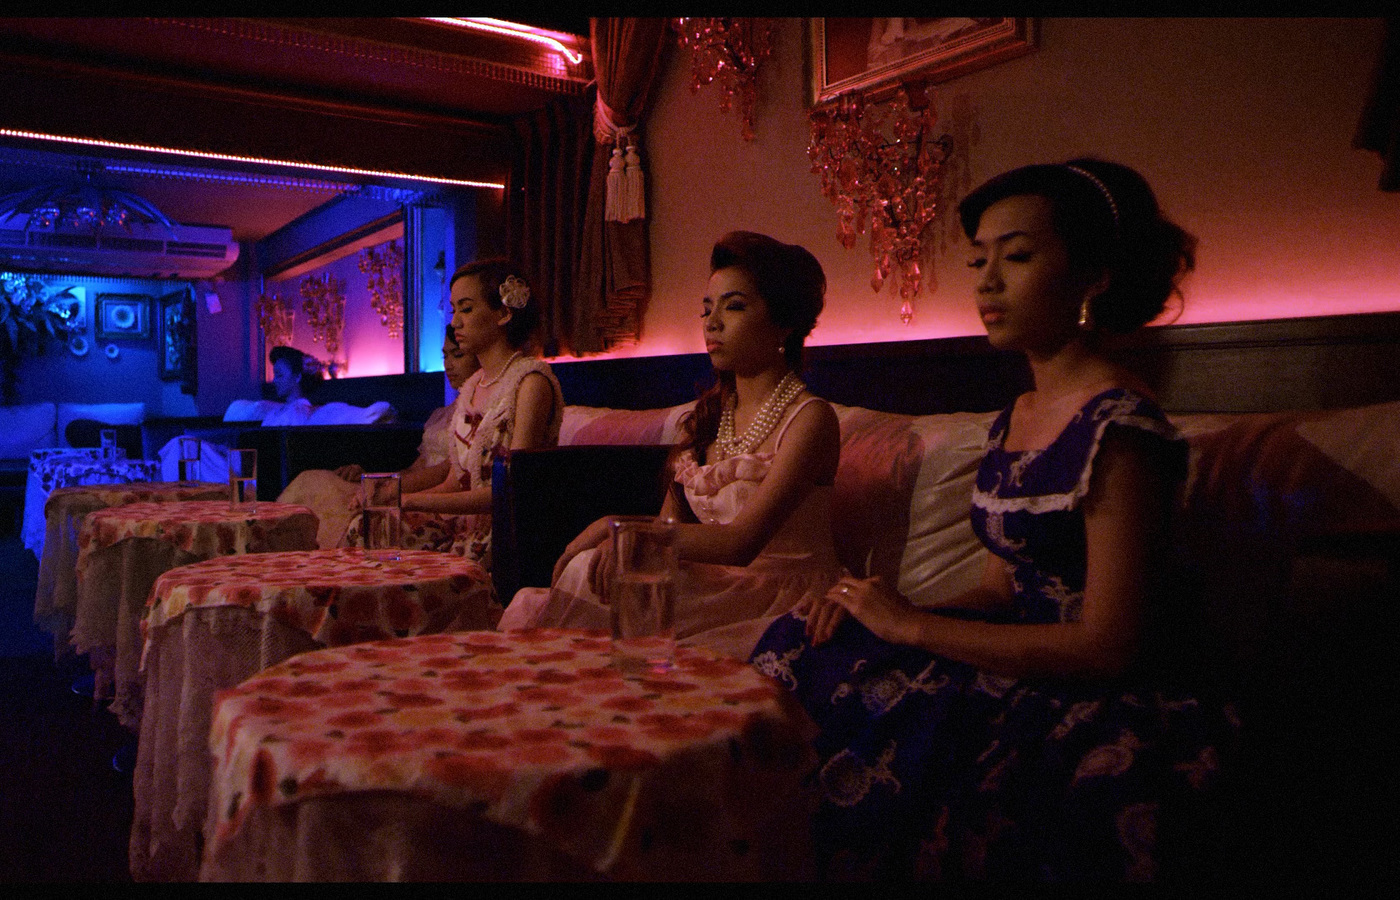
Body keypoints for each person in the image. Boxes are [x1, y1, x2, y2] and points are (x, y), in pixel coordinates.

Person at [749, 159, 1239, 881]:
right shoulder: (1019, 415)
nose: (986, 281)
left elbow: (1111, 644)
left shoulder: (1121, 427)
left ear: (1094, 276)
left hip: (1093, 687)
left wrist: (914, 629)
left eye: (1017, 256)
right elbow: (997, 593)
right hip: (1013, 645)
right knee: (801, 640)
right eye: (980, 259)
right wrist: (887, 610)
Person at [499, 231, 841, 662]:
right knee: (608, 576)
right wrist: (629, 547)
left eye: (733, 306)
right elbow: (668, 527)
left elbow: (740, 543)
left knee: (597, 579)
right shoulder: (711, 416)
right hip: (721, 582)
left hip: (779, 592)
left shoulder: (810, 418)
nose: (711, 322)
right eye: (706, 309)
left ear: (784, 323)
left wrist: (614, 528)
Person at [344, 258, 563, 568]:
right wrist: (391, 500)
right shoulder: (472, 387)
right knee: (369, 525)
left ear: (503, 313)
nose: (456, 322)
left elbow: (514, 489)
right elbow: (454, 482)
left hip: (507, 535)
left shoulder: (530, 382)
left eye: (467, 309)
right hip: (464, 528)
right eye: (454, 310)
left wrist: (410, 500)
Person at [277, 326, 480, 548]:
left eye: (457, 355)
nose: (448, 364)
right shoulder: (442, 414)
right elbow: (417, 467)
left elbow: (446, 474)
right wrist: (373, 477)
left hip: (436, 498)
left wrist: (389, 489)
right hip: (411, 486)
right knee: (311, 480)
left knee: (347, 510)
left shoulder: (475, 413)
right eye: (445, 356)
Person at [260, 345, 322, 426]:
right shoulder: (275, 413)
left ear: (297, 377)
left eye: (279, 375)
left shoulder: (302, 413)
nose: (274, 380)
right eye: (275, 376)